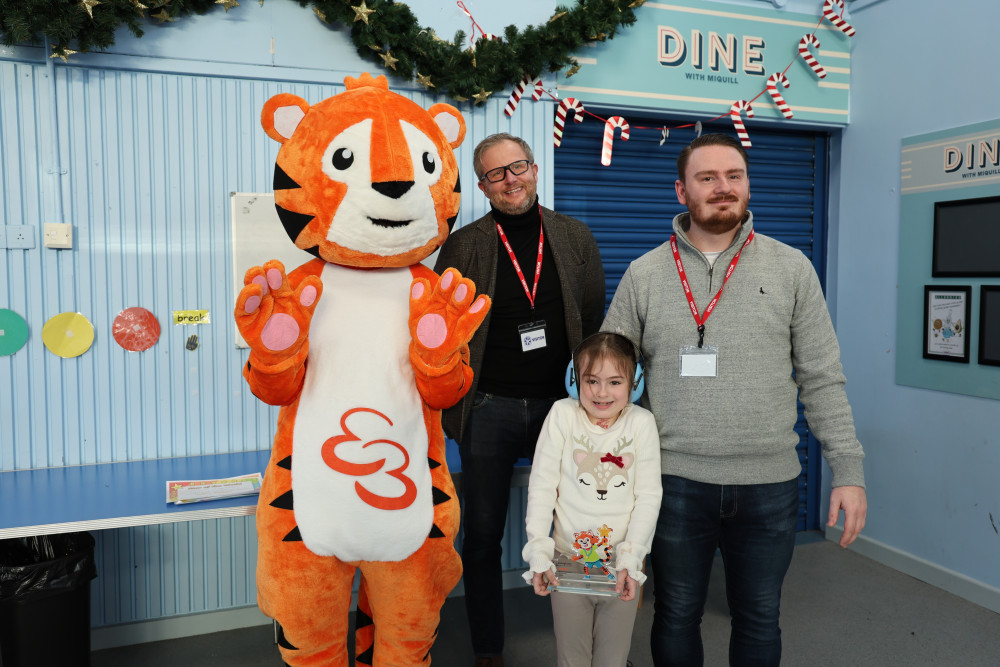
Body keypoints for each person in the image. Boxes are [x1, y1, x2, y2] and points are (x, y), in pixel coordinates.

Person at [600, 133, 868, 666]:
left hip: (770, 483)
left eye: (734, 176)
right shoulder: (645, 273)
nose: (723, 188)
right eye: (707, 178)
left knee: (760, 615)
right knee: (675, 612)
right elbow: (610, 380)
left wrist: (849, 471)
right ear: (682, 191)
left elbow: (821, 377)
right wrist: (602, 471)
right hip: (673, 480)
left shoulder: (791, 268)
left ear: (747, 185)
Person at [433, 132, 606, 667]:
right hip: (489, 407)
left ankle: (590, 643)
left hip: (562, 408)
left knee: (583, 525)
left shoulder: (575, 237)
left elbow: (592, 316)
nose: (511, 180)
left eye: (519, 167)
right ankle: (488, 647)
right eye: (496, 174)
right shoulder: (464, 245)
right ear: (483, 187)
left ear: (534, 168)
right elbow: (441, 327)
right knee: (482, 534)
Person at [521, 332, 662, 667]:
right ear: (575, 381)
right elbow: (542, 487)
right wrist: (539, 551)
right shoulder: (562, 415)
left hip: (620, 567)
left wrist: (632, 558)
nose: (602, 392)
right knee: (571, 657)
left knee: (612, 659)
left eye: (614, 382)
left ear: (634, 382)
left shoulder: (642, 424)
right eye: (591, 381)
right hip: (566, 563)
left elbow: (648, 497)